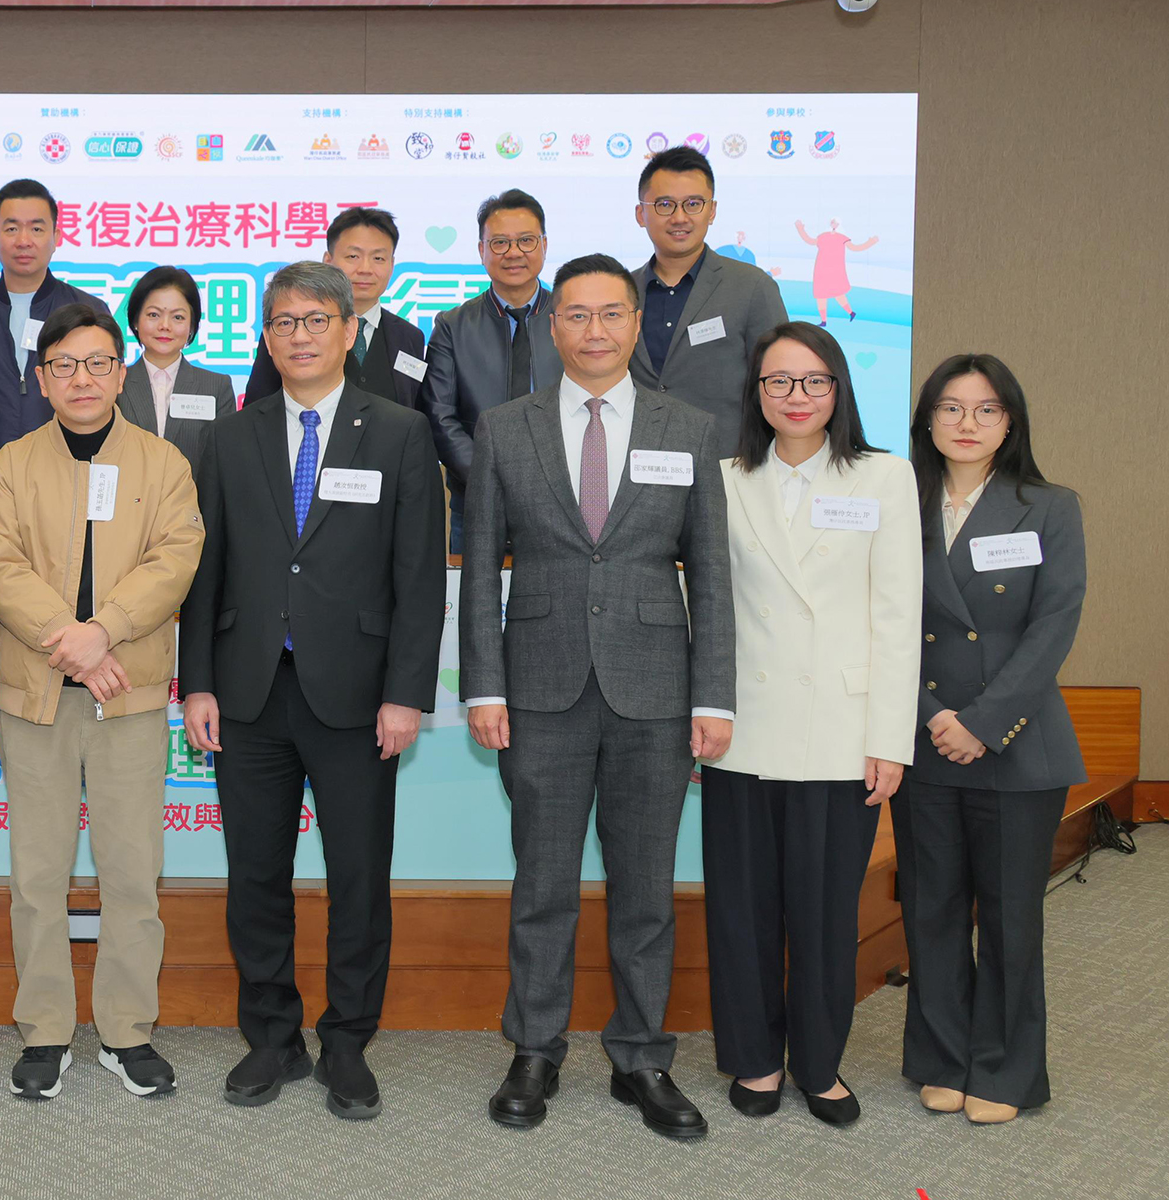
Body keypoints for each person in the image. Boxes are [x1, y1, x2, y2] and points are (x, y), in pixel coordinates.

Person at [460, 253, 733, 1140]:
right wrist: (483, 686)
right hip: (538, 687)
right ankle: (534, 1049)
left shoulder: (688, 429)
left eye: (612, 313)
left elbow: (713, 574)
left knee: (645, 887)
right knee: (542, 883)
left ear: (634, 322)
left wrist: (714, 697)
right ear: (553, 326)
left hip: (656, 690)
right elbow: (480, 571)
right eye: (576, 315)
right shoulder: (506, 427)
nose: (595, 331)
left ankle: (642, 1056)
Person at [180, 261, 445, 1121]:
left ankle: (348, 1039)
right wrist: (197, 684)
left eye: (316, 320)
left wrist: (406, 694)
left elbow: (419, 579)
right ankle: (271, 1036)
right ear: (266, 337)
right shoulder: (232, 435)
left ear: (347, 329)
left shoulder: (400, 433)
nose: (299, 335)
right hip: (249, 693)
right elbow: (206, 572)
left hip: (358, 697)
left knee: (358, 877)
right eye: (284, 322)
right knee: (255, 875)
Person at [0, 305, 204, 1101]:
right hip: (37, 695)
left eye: (98, 363)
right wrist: (67, 640)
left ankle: (126, 1030)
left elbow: (176, 558)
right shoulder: (9, 466)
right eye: (64, 366)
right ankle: (43, 1030)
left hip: (127, 695)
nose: (82, 379)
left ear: (120, 371)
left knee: (133, 873)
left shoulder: (162, 464)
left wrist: (103, 633)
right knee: (37, 874)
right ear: (41, 380)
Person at [701, 322, 921, 1127]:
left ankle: (820, 1065)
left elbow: (897, 613)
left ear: (838, 389)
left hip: (842, 728)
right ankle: (756, 1059)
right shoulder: (724, 479)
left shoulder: (883, 477)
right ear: (756, 392)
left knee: (826, 912)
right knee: (742, 909)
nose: (797, 397)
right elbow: (703, 606)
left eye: (814, 381)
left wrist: (889, 738)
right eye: (779, 381)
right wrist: (701, 711)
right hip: (742, 727)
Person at [895, 353, 1086, 1126]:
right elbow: (874, 620)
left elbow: (1054, 625)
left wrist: (980, 722)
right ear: (927, 421)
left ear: (1010, 423)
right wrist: (930, 714)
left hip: (1017, 741)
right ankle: (943, 1059)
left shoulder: (1049, 506)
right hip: (922, 736)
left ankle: (1006, 1070)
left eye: (986, 409)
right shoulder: (896, 502)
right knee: (931, 909)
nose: (967, 423)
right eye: (950, 407)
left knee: (1010, 916)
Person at [425, 190, 562, 549]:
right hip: (477, 505)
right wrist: (491, 482)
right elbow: (440, 417)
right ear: (481, 250)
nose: (513, 252)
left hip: (566, 506)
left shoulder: (572, 319)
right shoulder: (452, 326)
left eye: (526, 240)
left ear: (544, 245)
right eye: (499, 242)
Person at [628, 146, 788, 450]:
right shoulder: (622, 292)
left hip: (727, 463)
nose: (679, 218)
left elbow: (780, 383)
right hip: (640, 464)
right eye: (664, 204)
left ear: (711, 211)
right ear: (640, 214)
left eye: (693, 204)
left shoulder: (753, 287)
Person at [0, 179, 111, 485]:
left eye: (37, 229)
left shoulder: (89, 311)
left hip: (70, 474)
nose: (23, 240)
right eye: (12, 228)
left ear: (56, 236)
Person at [244, 208, 428, 417]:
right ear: (328, 260)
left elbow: (417, 410)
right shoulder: (290, 330)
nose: (365, 269)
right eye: (353, 256)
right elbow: (257, 409)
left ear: (392, 264)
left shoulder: (409, 336)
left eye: (378, 258)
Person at [115, 265, 238, 473]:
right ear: (135, 320)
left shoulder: (217, 387)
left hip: (194, 494)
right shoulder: (116, 382)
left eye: (178, 317)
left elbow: (225, 463)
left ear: (192, 326)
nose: (165, 325)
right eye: (153, 315)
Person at [795, 219, 880, 327]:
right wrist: (800, 229)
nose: (833, 224)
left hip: (834, 269)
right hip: (821, 269)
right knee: (821, 295)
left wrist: (871, 242)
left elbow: (855, 248)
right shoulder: (823, 236)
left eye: (836, 222)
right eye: (832, 221)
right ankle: (824, 320)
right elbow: (810, 240)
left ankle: (850, 312)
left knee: (838, 293)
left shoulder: (842, 238)